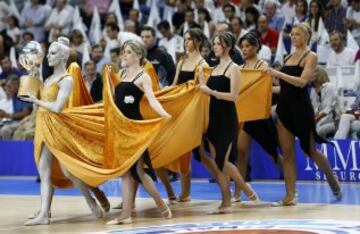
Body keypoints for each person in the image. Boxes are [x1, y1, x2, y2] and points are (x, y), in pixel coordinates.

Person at [22, 38, 108, 226]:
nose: (48, 57)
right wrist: (32, 79)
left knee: (68, 171)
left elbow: (58, 106)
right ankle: (44, 213)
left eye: (53, 53)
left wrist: (37, 102)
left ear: (62, 57)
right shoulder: (48, 79)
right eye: (49, 53)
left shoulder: (67, 79)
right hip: (42, 125)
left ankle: (89, 199)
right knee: (44, 171)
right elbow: (38, 98)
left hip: (58, 127)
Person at [262, 23, 342, 206]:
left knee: (310, 150)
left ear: (306, 37)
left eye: (297, 34)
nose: (293, 36)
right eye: (292, 34)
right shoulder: (289, 56)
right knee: (288, 154)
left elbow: (301, 82)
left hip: (301, 109)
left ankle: (333, 180)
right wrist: (265, 89)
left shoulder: (311, 56)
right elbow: (285, 88)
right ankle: (290, 195)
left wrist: (275, 73)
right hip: (284, 108)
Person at [107, 40, 172, 225]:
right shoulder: (121, 73)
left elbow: (152, 100)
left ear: (137, 55)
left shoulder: (144, 77)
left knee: (140, 172)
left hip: (136, 128)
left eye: (127, 52)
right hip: (122, 128)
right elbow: (114, 99)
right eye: (123, 52)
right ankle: (125, 215)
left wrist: (164, 114)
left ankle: (162, 206)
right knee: (126, 173)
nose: (124, 55)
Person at [198, 32, 259, 214]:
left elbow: (233, 96)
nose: (214, 47)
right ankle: (225, 201)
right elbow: (205, 91)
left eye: (217, 44)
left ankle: (245, 189)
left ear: (227, 46)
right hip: (213, 118)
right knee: (219, 164)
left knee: (221, 160)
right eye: (214, 43)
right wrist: (201, 79)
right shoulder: (214, 68)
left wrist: (212, 91)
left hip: (227, 118)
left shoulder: (234, 68)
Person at [235, 33, 283, 201]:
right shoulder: (239, 69)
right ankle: (238, 192)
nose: (245, 49)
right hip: (246, 117)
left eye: (248, 46)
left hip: (262, 117)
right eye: (242, 46)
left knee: (273, 156)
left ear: (256, 47)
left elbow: (271, 90)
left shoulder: (263, 66)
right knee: (241, 153)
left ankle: (290, 181)